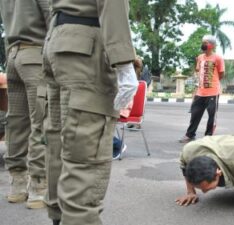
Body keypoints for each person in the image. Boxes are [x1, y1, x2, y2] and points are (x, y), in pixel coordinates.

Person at [42, 1, 138, 224]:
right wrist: (124, 63)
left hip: (57, 40)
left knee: (59, 145)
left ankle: (60, 218)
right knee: (85, 158)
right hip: (86, 49)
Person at [0, 0, 49, 209]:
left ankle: (17, 185)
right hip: (35, 55)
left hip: (12, 56)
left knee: (16, 123)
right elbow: (52, 18)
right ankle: (38, 188)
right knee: (41, 120)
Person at [179, 35, 225, 143]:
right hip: (200, 92)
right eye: (203, 42)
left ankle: (208, 137)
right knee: (195, 113)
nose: (203, 44)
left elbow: (221, 73)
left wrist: (214, 82)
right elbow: (198, 70)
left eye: (206, 42)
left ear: (212, 45)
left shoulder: (218, 58)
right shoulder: (200, 57)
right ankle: (190, 135)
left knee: (211, 115)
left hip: (213, 92)